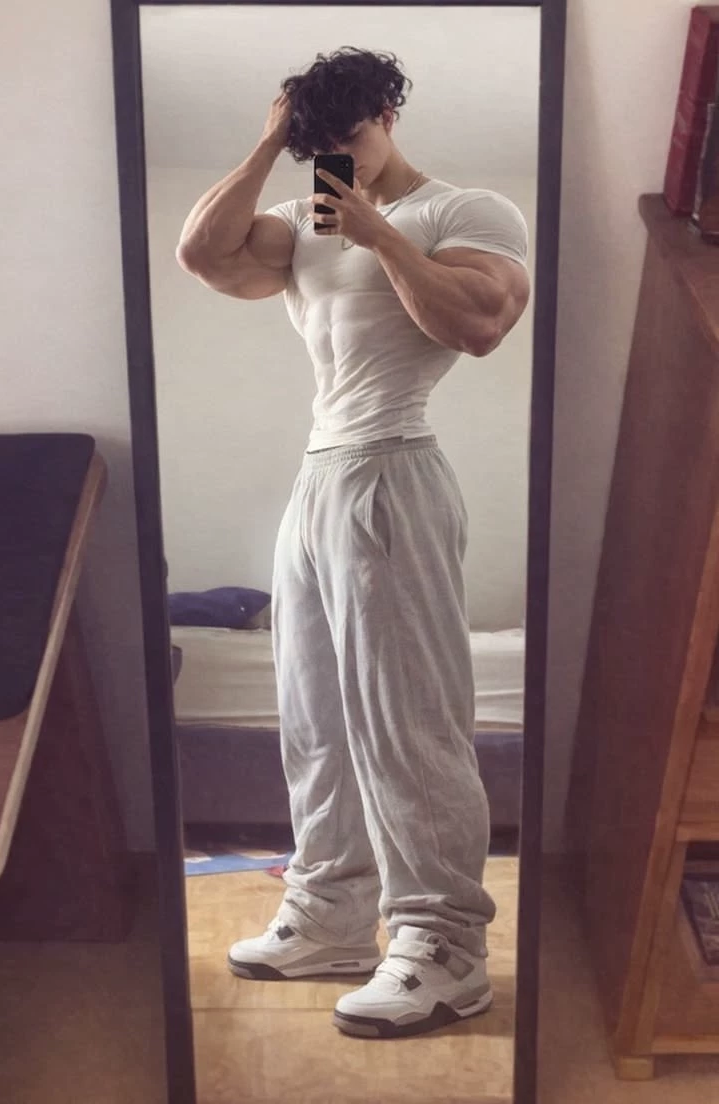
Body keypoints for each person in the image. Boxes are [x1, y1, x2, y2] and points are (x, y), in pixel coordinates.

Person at [176, 47, 530, 1040]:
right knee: (316, 719)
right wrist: (268, 140)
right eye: (317, 146)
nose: (340, 158)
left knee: (407, 722)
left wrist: (378, 233)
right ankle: (331, 915)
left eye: (354, 136)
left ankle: (445, 949)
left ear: (389, 115)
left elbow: (480, 322)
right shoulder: (297, 225)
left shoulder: (464, 211)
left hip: (395, 466)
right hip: (318, 477)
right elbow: (202, 256)